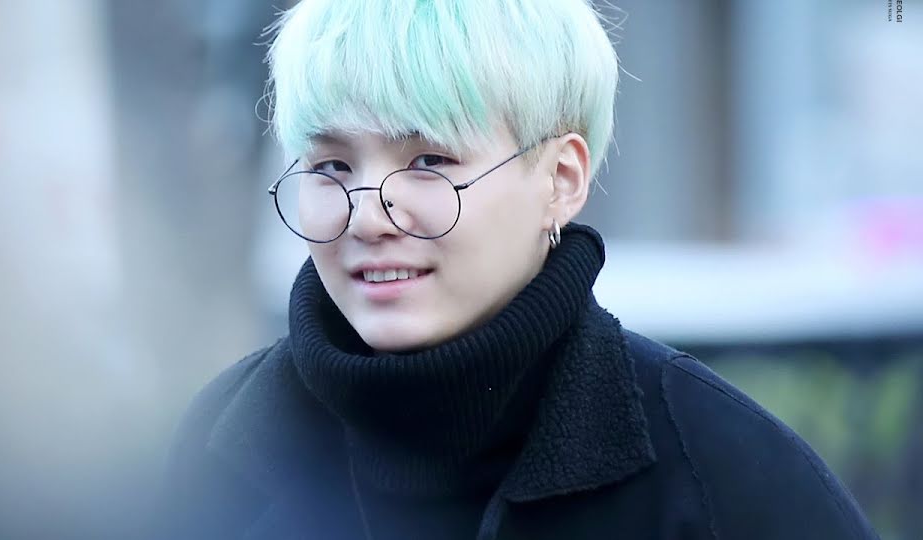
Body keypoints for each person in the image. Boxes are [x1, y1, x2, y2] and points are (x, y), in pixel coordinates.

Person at [157, 1, 879, 538]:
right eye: (331, 166)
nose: (369, 215)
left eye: (430, 160)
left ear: (562, 179)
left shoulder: (718, 471)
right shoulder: (227, 443)